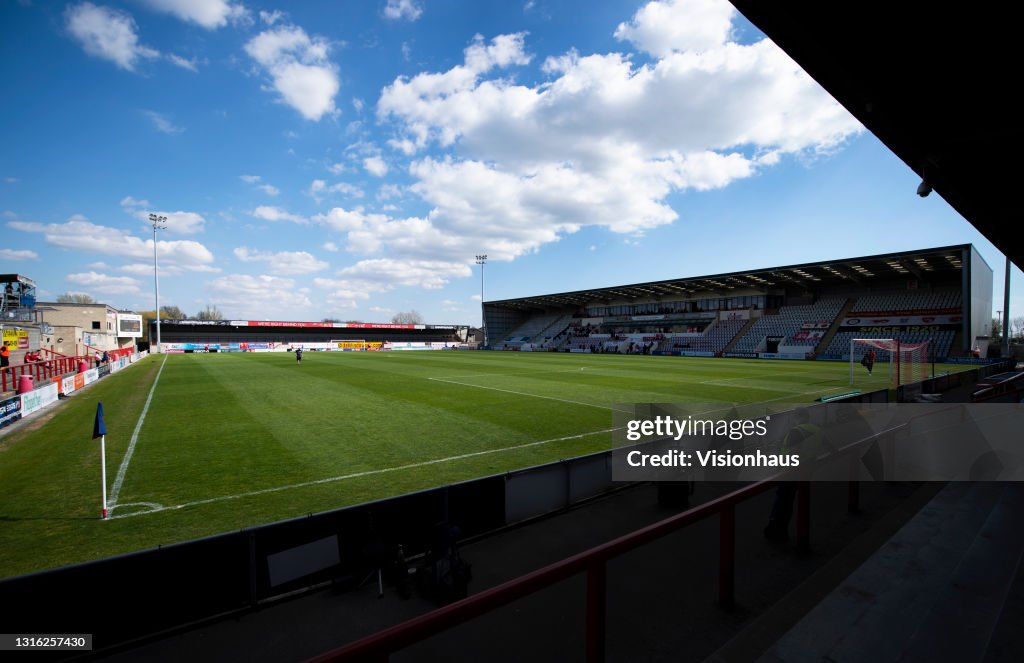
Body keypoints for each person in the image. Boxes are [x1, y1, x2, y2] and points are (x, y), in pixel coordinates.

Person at [764, 408, 824, 542]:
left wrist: (778, 470)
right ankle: (782, 530)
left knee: (783, 501)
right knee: (788, 501)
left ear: (795, 417)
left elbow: (793, 454)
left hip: (790, 473)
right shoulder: (817, 430)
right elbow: (832, 448)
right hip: (806, 472)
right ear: (808, 416)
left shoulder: (796, 432)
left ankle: (776, 530)